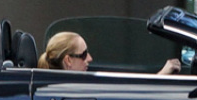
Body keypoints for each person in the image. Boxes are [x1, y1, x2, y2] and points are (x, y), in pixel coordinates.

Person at [39, 31, 180, 74]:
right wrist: (161, 75)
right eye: (83, 54)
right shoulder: (75, 89)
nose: (90, 58)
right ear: (68, 60)